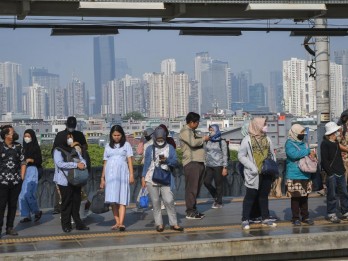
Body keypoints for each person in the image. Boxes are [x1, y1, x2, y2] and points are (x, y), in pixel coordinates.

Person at [141, 127, 184, 232]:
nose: (160, 140)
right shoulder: (149, 148)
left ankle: (174, 223)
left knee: (169, 200)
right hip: (151, 178)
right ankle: (159, 224)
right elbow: (146, 163)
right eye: (158, 138)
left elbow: (175, 162)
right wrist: (143, 177)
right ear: (154, 137)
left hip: (165, 177)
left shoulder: (170, 148)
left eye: (162, 138)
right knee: (155, 202)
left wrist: (166, 160)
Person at [238, 118, 277, 230]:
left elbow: (272, 155)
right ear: (257, 126)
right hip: (253, 173)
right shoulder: (247, 140)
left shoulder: (267, 139)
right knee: (250, 197)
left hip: (266, 172)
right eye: (264, 124)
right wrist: (251, 167)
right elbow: (241, 156)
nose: (265, 126)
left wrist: (274, 170)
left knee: (263, 196)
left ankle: (265, 218)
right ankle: (245, 219)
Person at [52, 116, 89, 215]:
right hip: (64, 169)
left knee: (78, 193)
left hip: (77, 168)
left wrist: (78, 146)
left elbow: (85, 148)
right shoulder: (60, 135)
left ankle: (79, 211)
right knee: (63, 194)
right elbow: (56, 150)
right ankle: (58, 208)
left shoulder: (79, 134)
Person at [100, 125, 134, 231]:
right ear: (111, 135)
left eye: (118, 135)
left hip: (122, 173)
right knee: (113, 199)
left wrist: (131, 175)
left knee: (122, 197)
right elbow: (105, 163)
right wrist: (102, 178)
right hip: (110, 175)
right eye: (114, 135)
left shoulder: (126, 145)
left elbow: (130, 161)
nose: (116, 137)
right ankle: (117, 222)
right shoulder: (107, 146)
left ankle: (121, 222)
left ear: (122, 135)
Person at [53, 132, 89, 233]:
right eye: (68, 137)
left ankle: (78, 223)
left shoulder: (73, 149)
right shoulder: (58, 150)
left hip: (75, 179)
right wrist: (76, 165)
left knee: (76, 201)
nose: (70, 139)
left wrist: (83, 164)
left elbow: (82, 159)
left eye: (71, 137)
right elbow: (60, 163)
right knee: (66, 202)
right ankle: (66, 224)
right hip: (64, 180)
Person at [179, 112, 209, 220]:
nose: (198, 124)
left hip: (199, 162)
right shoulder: (185, 131)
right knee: (191, 188)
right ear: (191, 122)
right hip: (191, 163)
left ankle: (194, 209)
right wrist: (203, 139)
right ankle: (190, 211)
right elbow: (193, 143)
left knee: (196, 188)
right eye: (197, 122)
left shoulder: (192, 131)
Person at [285, 124, 315, 226]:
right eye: (300, 133)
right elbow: (293, 154)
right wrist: (307, 151)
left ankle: (305, 217)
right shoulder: (289, 144)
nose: (302, 135)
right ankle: (295, 218)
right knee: (295, 198)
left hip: (305, 174)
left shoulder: (304, 143)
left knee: (304, 198)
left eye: (303, 133)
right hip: (294, 175)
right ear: (294, 133)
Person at [0, 125, 26, 236]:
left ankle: (9, 227)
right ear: (6, 135)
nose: (14, 134)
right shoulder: (0, 147)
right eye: (12, 132)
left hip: (16, 182)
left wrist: (22, 176)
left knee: (12, 205)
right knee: (1, 206)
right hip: (2, 182)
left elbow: (23, 162)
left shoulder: (19, 146)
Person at [320, 122, 348, 223]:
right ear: (332, 133)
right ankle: (331, 213)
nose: (338, 133)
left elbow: (339, 157)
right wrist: (330, 173)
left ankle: (345, 211)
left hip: (340, 172)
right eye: (336, 131)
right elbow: (324, 160)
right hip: (332, 174)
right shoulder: (325, 144)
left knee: (344, 193)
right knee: (331, 195)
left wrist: (343, 170)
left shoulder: (336, 143)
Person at [19, 129, 43, 223]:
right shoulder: (22, 148)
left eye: (28, 136)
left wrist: (30, 160)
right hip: (23, 171)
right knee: (21, 195)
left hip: (33, 170)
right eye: (25, 136)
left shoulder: (35, 148)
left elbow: (39, 161)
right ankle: (26, 215)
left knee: (28, 193)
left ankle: (36, 211)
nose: (26, 138)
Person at [204, 124, 228, 209]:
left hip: (219, 165)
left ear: (216, 130)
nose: (210, 132)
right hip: (209, 165)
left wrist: (225, 167)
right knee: (206, 182)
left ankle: (219, 202)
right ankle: (216, 196)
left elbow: (225, 155)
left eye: (212, 130)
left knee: (218, 184)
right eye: (209, 130)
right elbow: (205, 153)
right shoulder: (208, 140)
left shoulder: (222, 142)